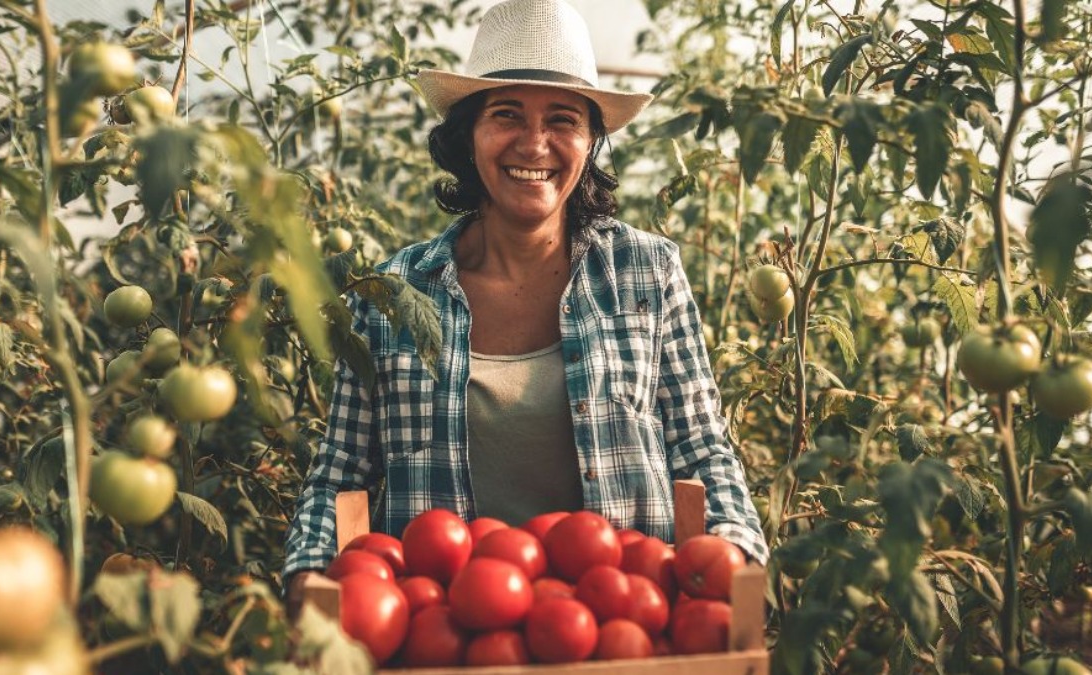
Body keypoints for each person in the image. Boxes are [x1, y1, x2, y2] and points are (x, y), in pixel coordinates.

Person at [283, 0, 767, 610]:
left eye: (563, 120)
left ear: (590, 142)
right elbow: (339, 477)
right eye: (506, 114)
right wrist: (310, 581)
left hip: (623, 624)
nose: (534, 144)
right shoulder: (394, 293)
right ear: (469, 135)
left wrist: (735, 560)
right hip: (443, 635)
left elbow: (702, 451)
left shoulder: (646, 272)